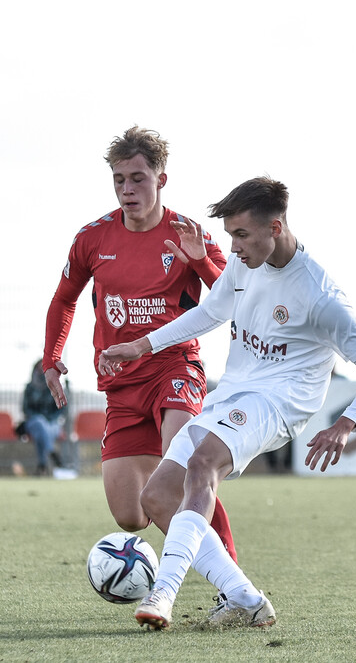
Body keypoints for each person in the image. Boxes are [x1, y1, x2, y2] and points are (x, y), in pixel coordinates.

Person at [99, 177, 356, 630]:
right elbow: (211, 311)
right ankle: (247, 599)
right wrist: (144, 345)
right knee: (157, 497)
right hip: (234, 392)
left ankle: (164, 592)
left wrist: (347, 423)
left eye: (240, 235)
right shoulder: (245, 263)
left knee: (202, 466)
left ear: (275, 227)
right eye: (230, 235)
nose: (231, 247)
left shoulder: (320, 297)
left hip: (279, 402)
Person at [41, 126, 239, 561]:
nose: (127, 189)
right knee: (131, 515)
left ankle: (232, 579)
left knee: (187, 467)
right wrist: (51, 358)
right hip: (120, 384)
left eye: (137, 178)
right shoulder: (92, 238)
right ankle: (169, 499)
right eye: (119, 180)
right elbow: (64, 299)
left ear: (161, 179)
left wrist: (201, 261)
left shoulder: (189, 234)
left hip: (174, 368)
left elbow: (233, 298)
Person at [20, 360, 68, 475]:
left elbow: (61, 409)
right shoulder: (29, 388)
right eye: (39, 368)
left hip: (52, 422)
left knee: (42, 431)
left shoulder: (56, 386)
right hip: (34, 421)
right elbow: (25, 408)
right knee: (40, 424)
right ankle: (51, 451)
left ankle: (41, 465)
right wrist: (40, 417)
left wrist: (48, 418)